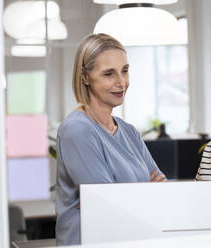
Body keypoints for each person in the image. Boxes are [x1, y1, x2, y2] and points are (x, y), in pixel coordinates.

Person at [55, 33, 166, 246]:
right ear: (85, 77)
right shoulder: (77, 130)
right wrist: (144, 190)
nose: (121, 82)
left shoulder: (129, 131)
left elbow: (161, 190)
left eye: (125, 71)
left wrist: (121, 196)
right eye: (109, 74)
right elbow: (108, 207)